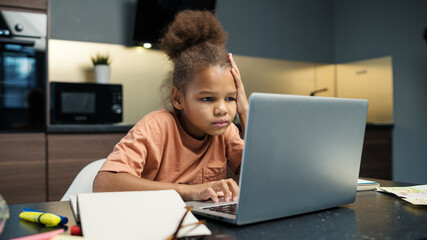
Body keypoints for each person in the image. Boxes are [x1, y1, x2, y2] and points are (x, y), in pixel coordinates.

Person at [93, 10, 248, 203]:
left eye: (230, 98)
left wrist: (245, 111)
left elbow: (265, 176)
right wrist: (192, 191)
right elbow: (104, 183)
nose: (222, 109)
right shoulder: (156, 127)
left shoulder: (225, 132)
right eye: (208, 99)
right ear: (178, 98)